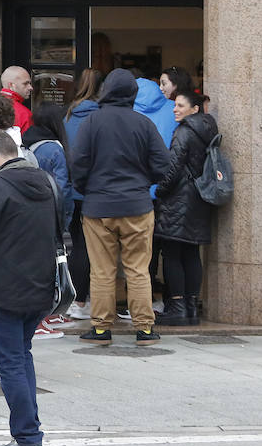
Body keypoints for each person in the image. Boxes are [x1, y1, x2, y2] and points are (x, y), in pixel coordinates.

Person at [0, 130, 61, 446]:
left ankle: (27, 436)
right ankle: (30, 429)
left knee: (9, 362)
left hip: (5, 288)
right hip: (41, 285)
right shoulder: (46, 183)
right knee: (23, 356)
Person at [69, 68, 172, 345]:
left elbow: (77, 164)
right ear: (132, 94)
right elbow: (163, 166)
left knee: (102, 271)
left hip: (98, 207)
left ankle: (101, 329)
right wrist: (142, 183)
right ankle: (145, 329)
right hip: (137, 205)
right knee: (138, 268)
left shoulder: (92, 123)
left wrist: (87, 189)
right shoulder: (143, 124)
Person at [155, 90, 217, 326]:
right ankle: (191, 308)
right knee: (191, 253)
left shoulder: (184, 132)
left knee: (172, 254)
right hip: (199, 198)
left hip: (178, 199)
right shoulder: (208, 130)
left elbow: (173, 169)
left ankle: (178, 308)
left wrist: (159, 190)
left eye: (180, 105)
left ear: (195, 109)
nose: (175, 109)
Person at [24, 101, 75, 337]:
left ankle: (45, 313)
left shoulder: (27, 143)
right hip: (51, 213)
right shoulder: (55, 149)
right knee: (52, 263)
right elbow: (62, 187)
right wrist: (65, 217)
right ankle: (43, 316)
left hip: (30, 212)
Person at [62, 69, 103, 320]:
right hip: (95, 189)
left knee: (77, 244)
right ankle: (92, 301)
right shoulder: (100, 116)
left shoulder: (68, 114)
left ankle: (77, 300)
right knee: (95, 246)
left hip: (73, 187)